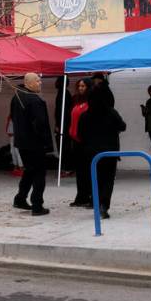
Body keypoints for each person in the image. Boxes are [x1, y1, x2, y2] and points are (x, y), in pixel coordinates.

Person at [78, 80, 126, 218]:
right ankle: (104, 206)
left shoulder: (85, 115)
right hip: (109, 152)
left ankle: (96, 202)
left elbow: (80, 135)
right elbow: (122, 126)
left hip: (91, 153)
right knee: (108, 180)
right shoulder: (111, 112)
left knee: (95, 179)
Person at [11, 73, 53, 216]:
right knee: (39, 174)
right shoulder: (34, 100)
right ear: (28, 83)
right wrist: (46, 143)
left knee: (29, 170)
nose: (40, 83)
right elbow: (41, 125)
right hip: (35, 143)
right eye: (37, 81)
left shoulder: (17, 98)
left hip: (22, 142)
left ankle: (20, 198)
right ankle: (37, 205)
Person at [67, 78, 93, 207]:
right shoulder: (76, 100)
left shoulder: (91, 101)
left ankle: (90, 196)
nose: (81, 88)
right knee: (80, 171)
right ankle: (81, 196)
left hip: (86, 141)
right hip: (76, 140)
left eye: (83, 86)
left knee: (88, 170)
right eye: (79, 86)